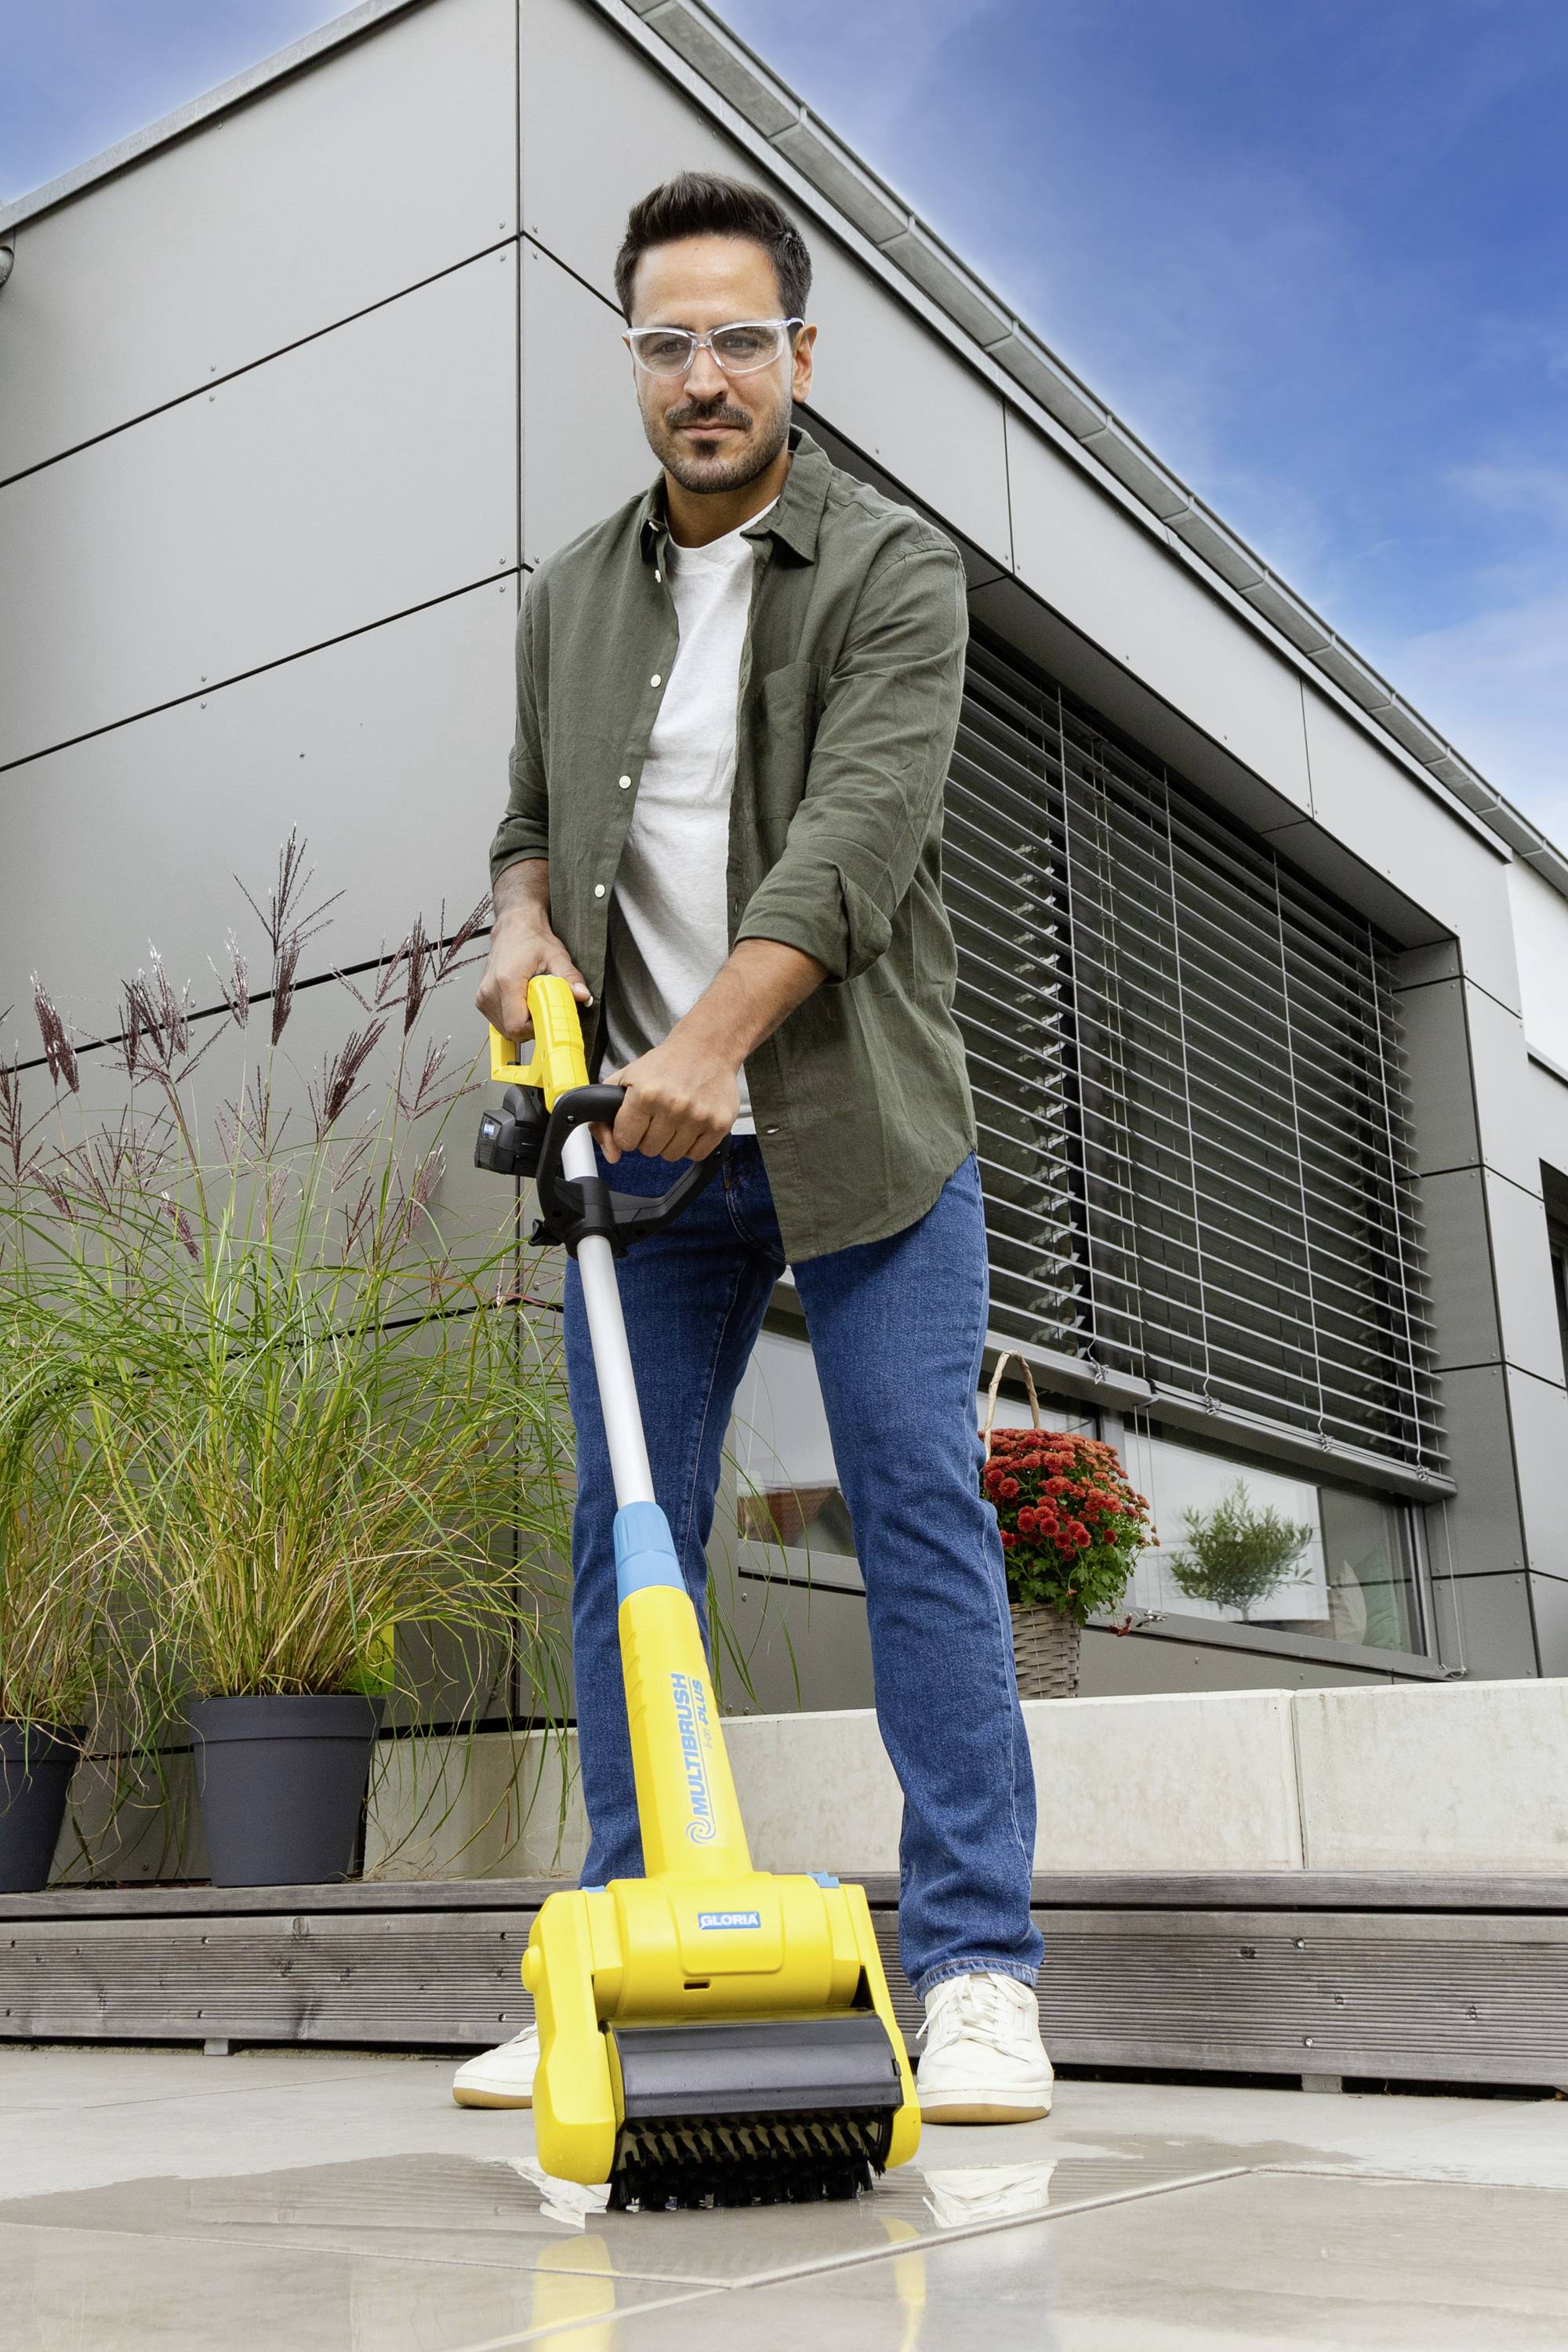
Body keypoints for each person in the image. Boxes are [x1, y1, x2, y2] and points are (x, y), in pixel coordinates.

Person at [456, 172, 1050, 2125]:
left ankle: (973, 1973)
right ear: (631, 362)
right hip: (633, 1150)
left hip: (857, 1120)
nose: (701, 377)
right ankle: (621, 1940)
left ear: (800, 353)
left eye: (736, 338)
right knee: (624, 1535)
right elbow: (530, 821)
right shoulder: (570, 589)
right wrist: (519, 924)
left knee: (914, 1511)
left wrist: (711, 1041)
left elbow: (863, 837)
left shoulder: (892, 569)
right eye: (664, 343)